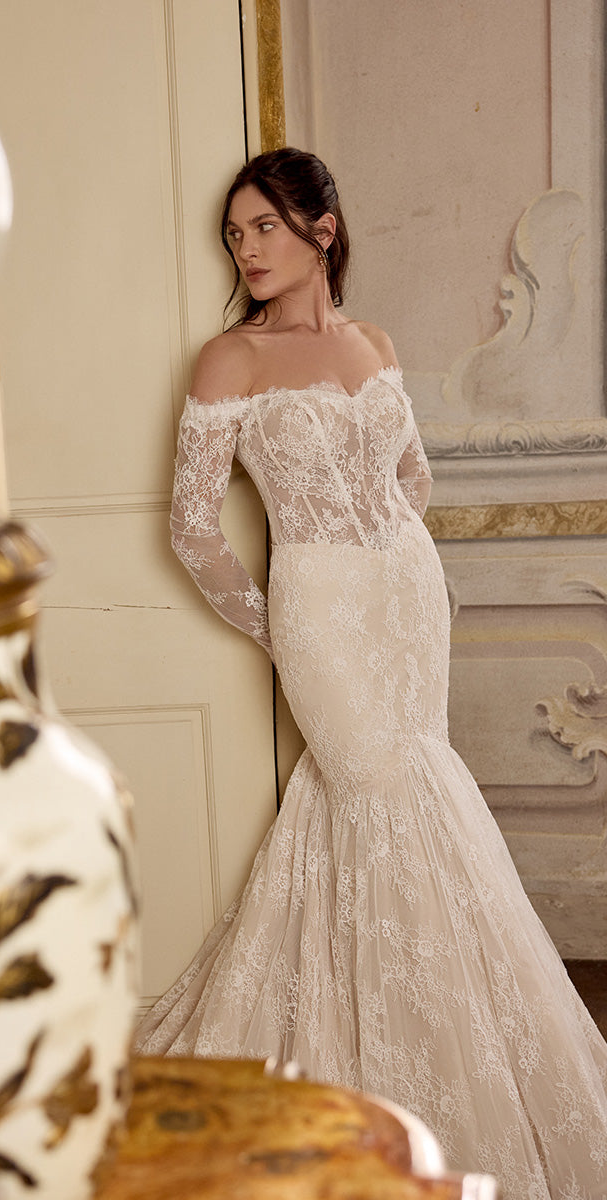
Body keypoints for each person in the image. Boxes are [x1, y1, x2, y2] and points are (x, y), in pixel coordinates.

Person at [134, 147, 607, 1198]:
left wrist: (398, 554)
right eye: (235, 234)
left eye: (264, 227)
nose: (246, 249)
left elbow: (412, 474)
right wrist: (278, 622)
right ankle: (378, 1079)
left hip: (404, 597)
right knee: (373, 796)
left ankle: (454, 1055)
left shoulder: (374, 343)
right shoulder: (229, 360)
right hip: (320, 606)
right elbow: (192, 530)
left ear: (323, 230)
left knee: (420, 791)